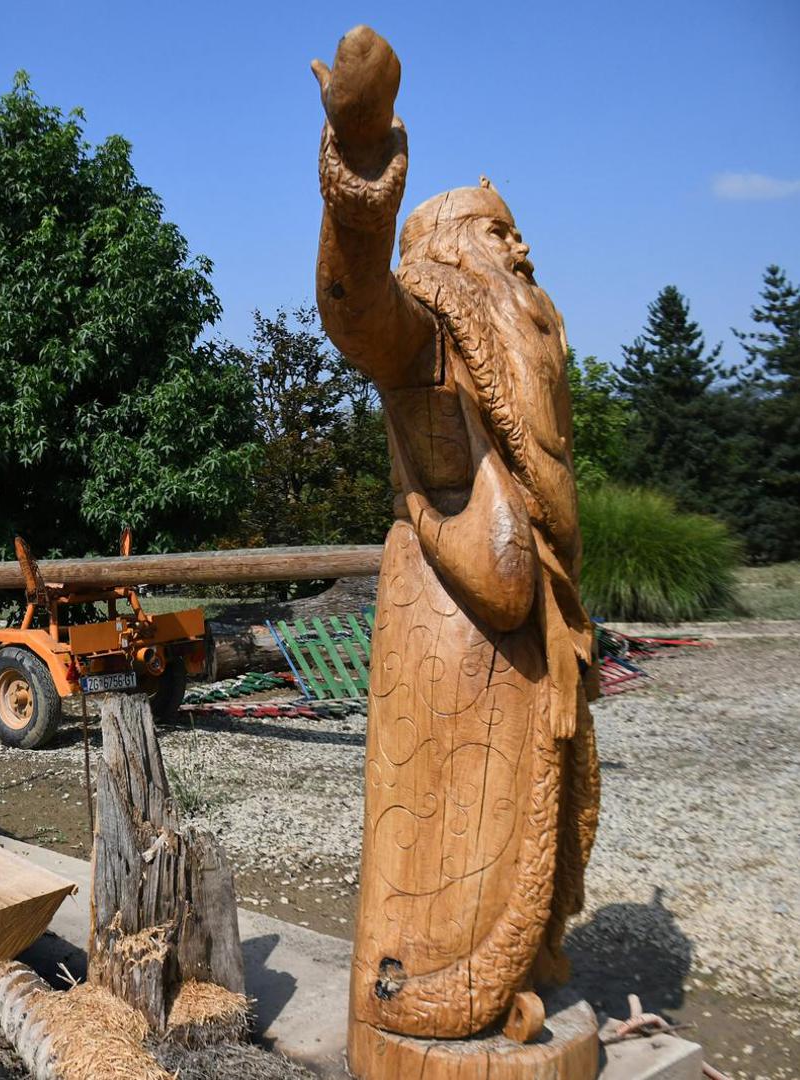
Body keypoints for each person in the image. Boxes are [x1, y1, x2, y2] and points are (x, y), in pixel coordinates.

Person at [312, 27, 598, 1043]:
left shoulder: (519, 343)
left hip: (524, 622)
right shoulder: (435, 319)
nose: (518, 250)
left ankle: (509, 975)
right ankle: (417, 997)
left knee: (526, 815)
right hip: (449, 625)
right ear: (447, 251)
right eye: (496, 230)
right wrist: (355, 167)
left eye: (517, 231)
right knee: (447, 833)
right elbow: (356, 308)